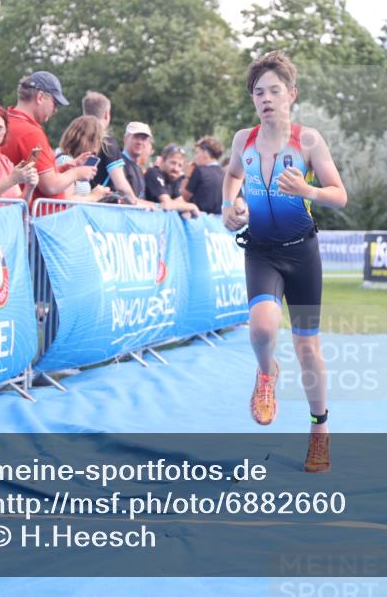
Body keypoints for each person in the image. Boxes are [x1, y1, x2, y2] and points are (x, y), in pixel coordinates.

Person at [221, 50, 347, 473]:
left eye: (275, 90)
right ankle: (267, 373)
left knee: (308, 348)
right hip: (261, 251)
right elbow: (232, 176)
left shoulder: (308, 141)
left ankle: (319, 429)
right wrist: (229, 206)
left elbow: (339, 195)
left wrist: (308, 191)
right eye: (259, 92)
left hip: (301, 253)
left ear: (291, 94)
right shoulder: (243, 140)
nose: (267, 98)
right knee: (261, 328)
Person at [0, 71, 96, 205]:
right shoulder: (31, 133)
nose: (55, 110)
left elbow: (33, 169)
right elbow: (50, 186)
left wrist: (67, 167)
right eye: (55, 103)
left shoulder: (4, 121)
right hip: (39, 215)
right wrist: (77, 173)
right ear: (40, 97)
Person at [82, 91, 154, 207]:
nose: (140, 142)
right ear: (107, 114)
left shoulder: (75, 139)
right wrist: (136, 203)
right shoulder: (107, 143)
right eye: (136, 137)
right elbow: (121, 186)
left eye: (144, 138)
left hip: (74, 206)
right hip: (98, 209)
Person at [55, 116, 111, 202]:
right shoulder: (66, 160)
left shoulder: (75, 161)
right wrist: (93, 196)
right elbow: (66, 199)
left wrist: (98, 194)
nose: (99, 145)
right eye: (98, 139)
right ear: (89, 140)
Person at [145, 146, 199, 216]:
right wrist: (192, 206)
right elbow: (167, 204)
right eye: (173, 163)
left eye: (180, 165)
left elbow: (181, 203)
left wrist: (187, 210)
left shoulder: (171, 179)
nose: (176, 169)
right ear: (162, 161)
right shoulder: (154, 173)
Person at [182, 136, 226, 214]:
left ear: (205, 153)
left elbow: (184, 197)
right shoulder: (225, 174)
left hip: (198, 218)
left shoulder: (199, 171)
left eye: (197, 153)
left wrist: (186, 176)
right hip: (220, 219)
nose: (195, 157)